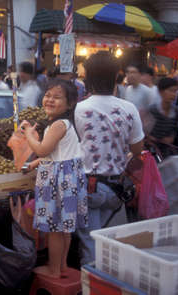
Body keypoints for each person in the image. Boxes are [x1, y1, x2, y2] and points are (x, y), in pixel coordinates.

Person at [75, 52, 144, 265]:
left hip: (89, 187)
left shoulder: (81, 108)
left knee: (90, 243)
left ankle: (93, 284)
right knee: (111, 243)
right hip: (117, 189)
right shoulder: (129, 108)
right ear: (116, 76)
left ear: (88, 77)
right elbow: (137, 148)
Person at [20, 79, 87, 278]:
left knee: (55, 229)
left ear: (70, 103)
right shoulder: (63, 124)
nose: (50, 100)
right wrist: (36, 162)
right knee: (65, 229)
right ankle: (63, 266)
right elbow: (55, 154)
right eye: (48, 95)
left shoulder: (58, 125)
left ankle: (54, 270)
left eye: (57, 97)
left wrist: (29, 134)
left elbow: (43, 148)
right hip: (68, 177)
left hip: (59, 181)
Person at [147, 78, 178, 159]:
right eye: (171, 90)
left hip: (167, 152)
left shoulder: (176, 111)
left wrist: (171, 138)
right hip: (151, 153)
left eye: (175, 91)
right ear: (161, 92)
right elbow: (143, 132)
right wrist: (150, 138)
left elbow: (174, 129)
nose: (174, 94)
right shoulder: (152, 110)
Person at [124, 64, 155, 133]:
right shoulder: (128, 89)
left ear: (140, 74)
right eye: (128, 72)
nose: (130, 75)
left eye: (133, 72)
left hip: (142, 131)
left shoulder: (147, 91)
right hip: (129, 128)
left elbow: (152, 113)